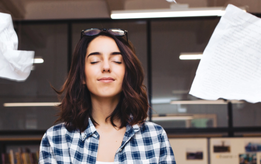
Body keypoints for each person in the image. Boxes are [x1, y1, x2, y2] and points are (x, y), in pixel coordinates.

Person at [39, 28, 176, 164]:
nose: (106, 67)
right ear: (82, 76)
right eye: (94, 61)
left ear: (127, 72)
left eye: (116, 60)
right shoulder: (56, 139)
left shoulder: (155, 137)